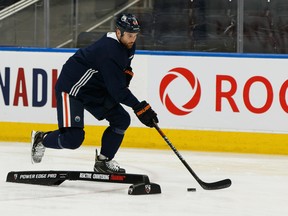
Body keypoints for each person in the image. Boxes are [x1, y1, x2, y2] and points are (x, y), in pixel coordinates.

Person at [31, 13, 159, 174]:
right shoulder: (108, 50)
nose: (133, 39)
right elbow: (118, 91)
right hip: (72, 87)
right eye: (129, 35)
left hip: (95, 87)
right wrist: (140, 108)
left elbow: (124, 69)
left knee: (121, 119)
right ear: (118, 32)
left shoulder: (127, 45)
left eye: (135, 35)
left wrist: (126, 74)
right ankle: (41, 139)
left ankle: (103, 161)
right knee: (72, 139)